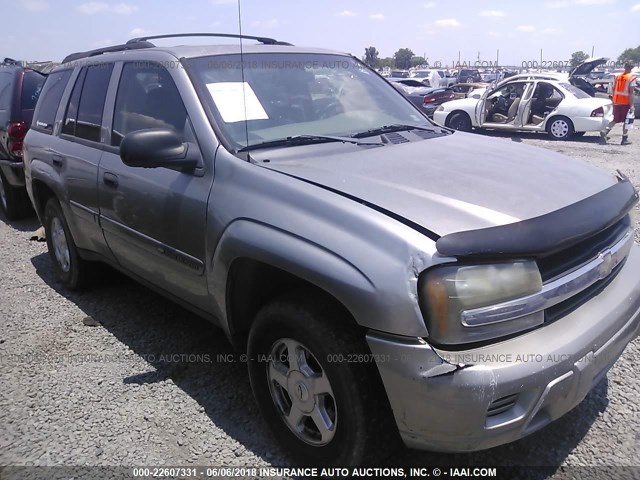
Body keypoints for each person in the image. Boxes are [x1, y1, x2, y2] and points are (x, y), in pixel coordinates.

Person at [601, 63, 636, 145]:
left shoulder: (618, 77)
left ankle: (605, 130)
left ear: (625, 67)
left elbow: (613, 89)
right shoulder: (632, 78)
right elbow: (631, 92)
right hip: (625, 103)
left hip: (616, 101)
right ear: (631, 68)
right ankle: (624, 139)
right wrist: (631, 105)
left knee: (616, 119)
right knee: (626, 121)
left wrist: (614, 99)